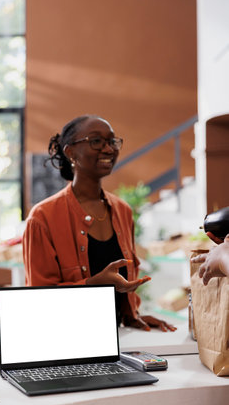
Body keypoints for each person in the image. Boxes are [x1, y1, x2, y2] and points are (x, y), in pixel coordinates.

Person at [23, 114, 176, 332]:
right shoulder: (42, 217)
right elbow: (38, 300)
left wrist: (132, 316)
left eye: (112, 141)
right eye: (96, 141)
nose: (109, 149)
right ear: (70, 152)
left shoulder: (122, 210)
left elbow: (122, 284)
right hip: (65, 338)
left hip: (116, 337)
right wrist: (92, 285)